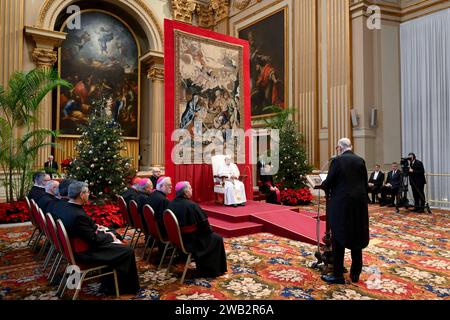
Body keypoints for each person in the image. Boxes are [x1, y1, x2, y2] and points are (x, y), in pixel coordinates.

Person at [52, 181, 140, 294]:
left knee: (114, 238)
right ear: (81, 194)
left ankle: (110, 283)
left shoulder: (65, 207)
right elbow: (94, 240)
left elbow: (86, 231)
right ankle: (121, 288)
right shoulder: (78, 216)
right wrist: (110, 236)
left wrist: (98, 229)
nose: (89, 194)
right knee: (126, 251)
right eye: (88, 192)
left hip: (75, 247)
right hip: (84, 253)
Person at [320, 138, 369, 284]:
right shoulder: (360, 161)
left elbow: (329, 182)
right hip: (359, 205)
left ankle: (338, 274)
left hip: (341, 205)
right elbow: (365, 184)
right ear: (350, 147)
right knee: (357, 235)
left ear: (339, 148)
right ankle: (355, 273)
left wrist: (323, 185)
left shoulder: (337, 161)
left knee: (338, 237)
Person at [167, 181, 227, 278]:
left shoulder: (171, 203)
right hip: (191, 242)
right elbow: (205, 227)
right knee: (217, 238)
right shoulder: (192, 206)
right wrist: (210, 231)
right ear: (186, 193)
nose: (192, 190)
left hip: (178, 239)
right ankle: (210, 270)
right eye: (190, 188)